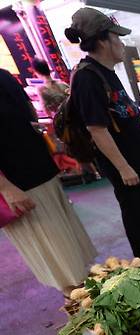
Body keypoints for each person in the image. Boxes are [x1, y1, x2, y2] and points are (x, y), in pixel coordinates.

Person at [66, 7, 140, 257]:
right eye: (117, 37)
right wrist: (123, 167)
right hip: (123, 165)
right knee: (135, 212)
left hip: (135, 159)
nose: (121, 43)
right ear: (102, 39)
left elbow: (122, 116)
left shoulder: (108, 73)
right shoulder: (87, 77)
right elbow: (96, 129)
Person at [0, 68, 97, 295]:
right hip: (17, 186)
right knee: (61, 262)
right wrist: (6, 188)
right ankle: (83, 306)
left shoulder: (3, 76)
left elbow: (25, 115)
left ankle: (86, 300)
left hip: (40, 172)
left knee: (74, 253)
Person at [32, 58, 102, 180]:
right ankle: (98, 169)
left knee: (74, 147)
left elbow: (45, 110)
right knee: (87, 142)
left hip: (62, 123)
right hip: (76, 118)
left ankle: (90, 172)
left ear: (36, 72)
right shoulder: (62, 84)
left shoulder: (42, 89)